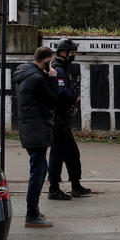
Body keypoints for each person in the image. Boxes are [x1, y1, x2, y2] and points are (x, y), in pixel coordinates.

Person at [13, 46, 58, 227]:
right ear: (46, 61)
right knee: (38, 172)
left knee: (40, 168)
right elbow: (53, 99)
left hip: (29, 128)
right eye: (51, 62)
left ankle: (34, 210)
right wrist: (53, 79)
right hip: (36, 129)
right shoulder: (37, 79)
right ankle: (31, 214)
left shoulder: (26, 74)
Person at [48, 38, 92, 200]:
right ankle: (54, 188)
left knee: (71, 153)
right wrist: (75, 98)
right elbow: (61, 93)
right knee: (57, 154)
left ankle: (75, 185)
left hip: (62, 119)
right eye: (72, 53)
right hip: (58, 120)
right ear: (63, 53)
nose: (73, 56)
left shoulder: (62, 69)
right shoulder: (59, 70)